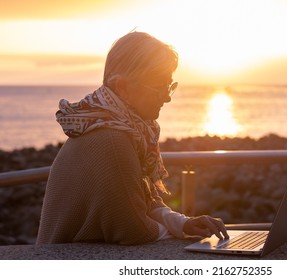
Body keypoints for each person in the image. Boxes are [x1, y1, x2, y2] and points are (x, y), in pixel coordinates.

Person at [36, 31, 229, 245]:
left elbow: (143, 205)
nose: (166, 97)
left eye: (169, 85)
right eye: (159, 86)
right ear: (123, 87)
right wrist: (179, 234)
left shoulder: (115, 126)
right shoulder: (112, 138)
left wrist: (183, 224)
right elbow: (133, 231)